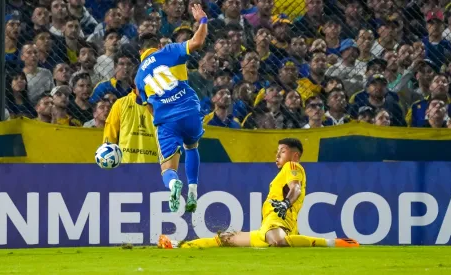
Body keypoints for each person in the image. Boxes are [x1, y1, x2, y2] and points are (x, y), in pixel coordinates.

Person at [158, 138, 359, 249]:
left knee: (277, 240)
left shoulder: (292, 166)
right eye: (277, 151)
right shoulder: (284, 172)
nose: (277, 155)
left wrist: (287, 204)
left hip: (278, 224)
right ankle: (177, 245)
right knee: (225, 239)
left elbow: (296, 188)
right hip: (267, 227)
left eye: (282, 151)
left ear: (295, 155)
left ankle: (334, 243)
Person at [134, 4, 208, 213]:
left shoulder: (139, 77)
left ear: (140, 52)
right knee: (191, 146)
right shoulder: (169, 51)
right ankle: (193, 191)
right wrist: (202, 20)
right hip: (189, 108)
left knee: (167, 168)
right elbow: (198, 41)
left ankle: (174, 184)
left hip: (166, 119)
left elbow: (149, 107)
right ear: (157, 45)